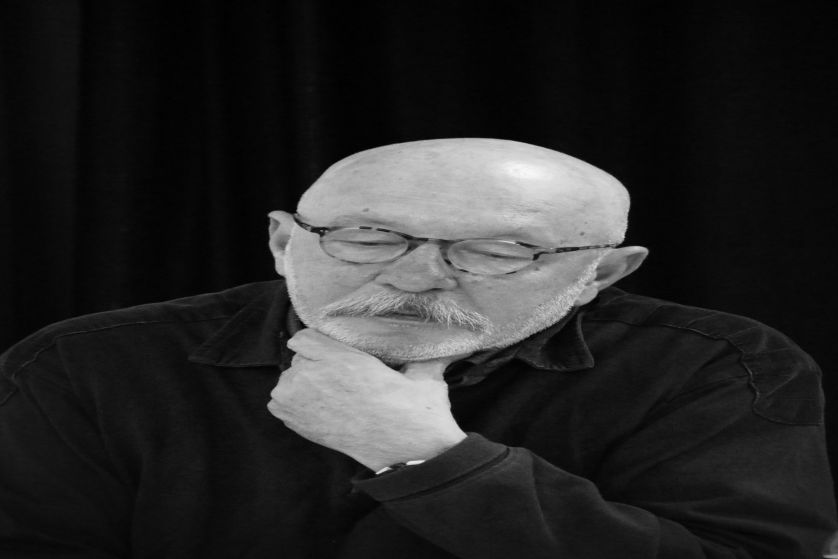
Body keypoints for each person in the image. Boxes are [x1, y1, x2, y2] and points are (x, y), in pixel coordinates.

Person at [0, 138, 834, 558]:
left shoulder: (717, 366)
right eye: (368, 236)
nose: (414, 275)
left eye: (500, 250)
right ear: (284, 242)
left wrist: (427, 459)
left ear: (602, 272)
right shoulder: (87, 364)